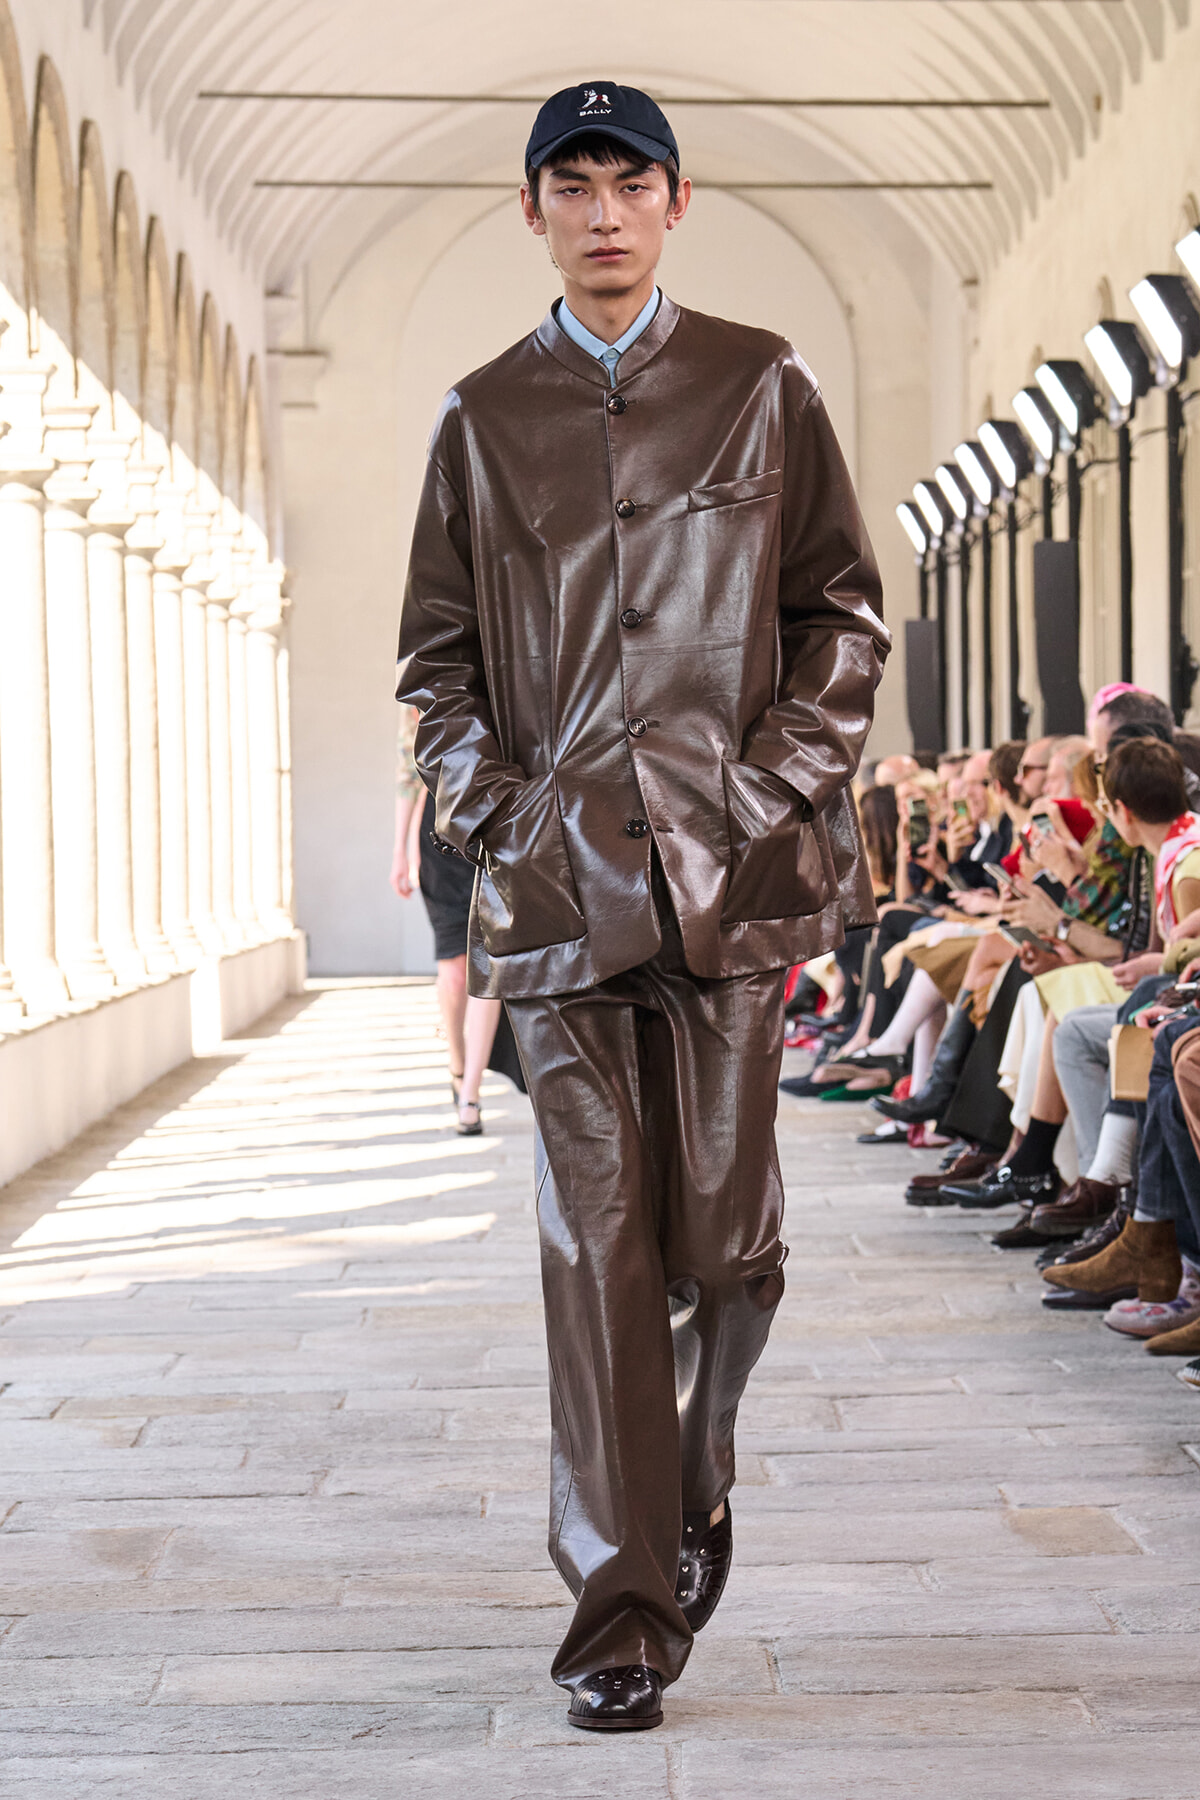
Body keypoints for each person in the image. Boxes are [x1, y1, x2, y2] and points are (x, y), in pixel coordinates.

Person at [395, 81, 887, 1733]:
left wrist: (759, 795)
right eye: (571, 185)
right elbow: (437, 667)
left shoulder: (761, 384)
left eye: (631, 183)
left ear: (681, 202)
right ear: (526, 210)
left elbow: (842, 620)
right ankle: (623, 1607)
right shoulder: (480, 416)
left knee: (726, 1247)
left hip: (731, 892)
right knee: (596, 1248)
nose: (603, 211)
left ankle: (694, 1463)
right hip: (559, 910)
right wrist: (508, 816)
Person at [391, 705, 522, 1133]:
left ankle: (470, 1092)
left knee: (490, 964)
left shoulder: (501, 659)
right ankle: (458, 1061)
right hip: (439, 837)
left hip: (494, 825)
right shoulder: (423, 679)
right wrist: (400, 851)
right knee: (452, 972)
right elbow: (408, 774)